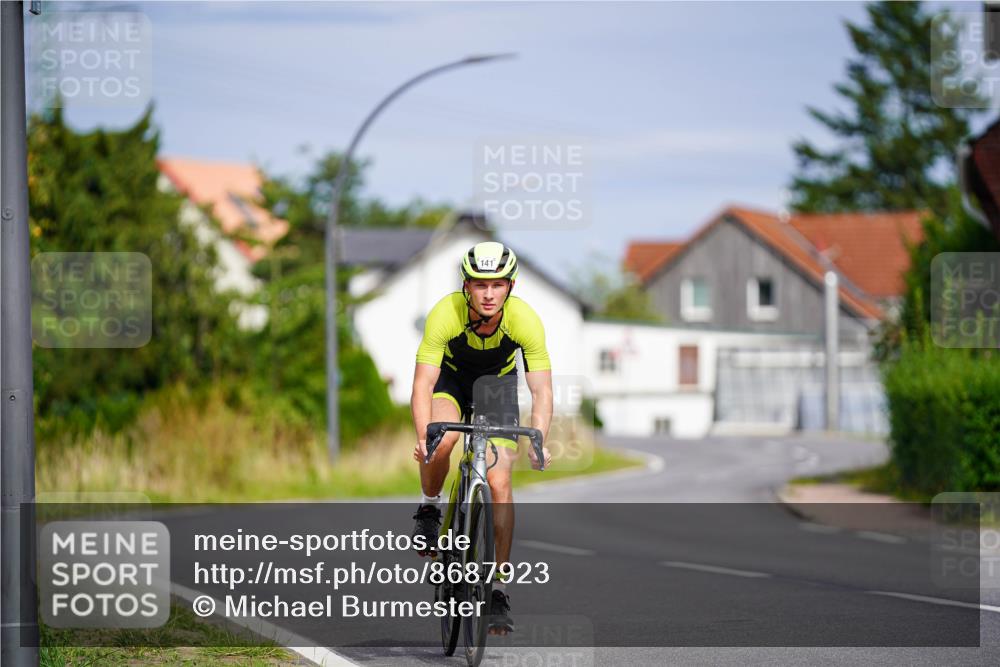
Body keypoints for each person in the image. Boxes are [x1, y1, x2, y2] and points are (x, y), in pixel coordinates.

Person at [411, 241, 553, 635]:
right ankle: (428, 508)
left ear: (510, 286)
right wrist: (425, 436)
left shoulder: (525, 320)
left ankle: (499, 589)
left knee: (500, 481)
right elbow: (423, 383)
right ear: (466, 286)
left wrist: (539, 437)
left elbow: (542, 391)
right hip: (452, 382)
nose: (488, 294)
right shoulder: (445, 313)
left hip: (497, 389)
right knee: (443, 440)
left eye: (497, 285)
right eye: (479, 284)